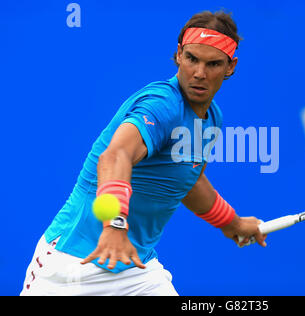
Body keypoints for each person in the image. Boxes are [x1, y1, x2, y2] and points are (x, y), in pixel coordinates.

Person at [20, 10, 267, 296]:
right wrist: (114, 225)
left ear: (230, 67)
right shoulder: (162, 104)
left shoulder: (212, 118)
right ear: (178, 55)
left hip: (137, 270)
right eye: (191, 59)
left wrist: (232, 223)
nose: (199, 73)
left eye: (213, 64)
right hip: (73, 265)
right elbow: (115, 157)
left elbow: (190, 182)